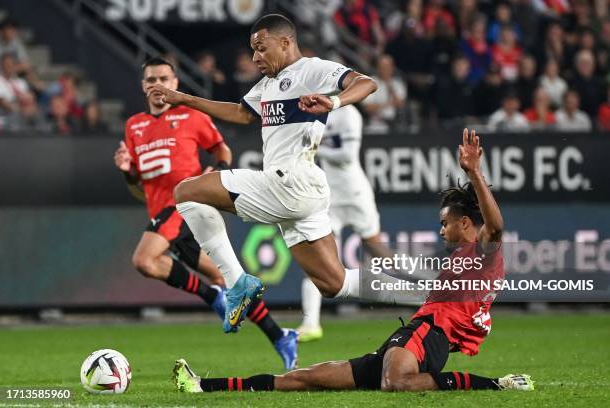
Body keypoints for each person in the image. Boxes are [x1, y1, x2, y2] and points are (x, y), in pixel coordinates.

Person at [171, 129, 534, 394]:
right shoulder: (462, 261)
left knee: (396, 384)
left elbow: (496, 227)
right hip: (417, 331)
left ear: (465, 223)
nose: (441, 230)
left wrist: (474, 174)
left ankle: (497, 385)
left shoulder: (484, 254)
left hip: (429, 334)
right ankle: (204, 385)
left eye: (445, 223)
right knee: (304, 379)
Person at [147, 14, 378, 334]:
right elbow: (241, 113)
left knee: (186, 192)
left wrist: (334, 101)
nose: (255, 57)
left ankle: (236, 283)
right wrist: (184, 98)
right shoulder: (268, 85)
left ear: (285, 43)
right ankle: (430, 296)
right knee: (333, 283)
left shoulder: (312, 69)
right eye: (252, 50)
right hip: (304, 190)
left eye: (261, 48)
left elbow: (367, 83)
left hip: (290, 182)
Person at [113, 57, 298, 370]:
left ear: (175, 83)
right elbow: (138, 187)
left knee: (144, 260)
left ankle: (211, 297)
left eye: (163, 78)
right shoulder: (134, 126)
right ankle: (280, 336)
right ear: (143, 86)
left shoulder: (190, 115)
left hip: (185, 206)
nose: (157, 84)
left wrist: (218, 174)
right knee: (224, 277)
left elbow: (221, 149)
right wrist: (127, 171)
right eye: (150, 80)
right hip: (162, 213)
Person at [298, 104, 385, 342]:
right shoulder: (312, 113)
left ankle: (424, 297)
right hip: (328, 196)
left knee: (379, 252)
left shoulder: (349, 113)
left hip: (355, 193)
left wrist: (313, 150)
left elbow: (347, 155)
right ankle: (311, 323)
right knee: (320, 258)